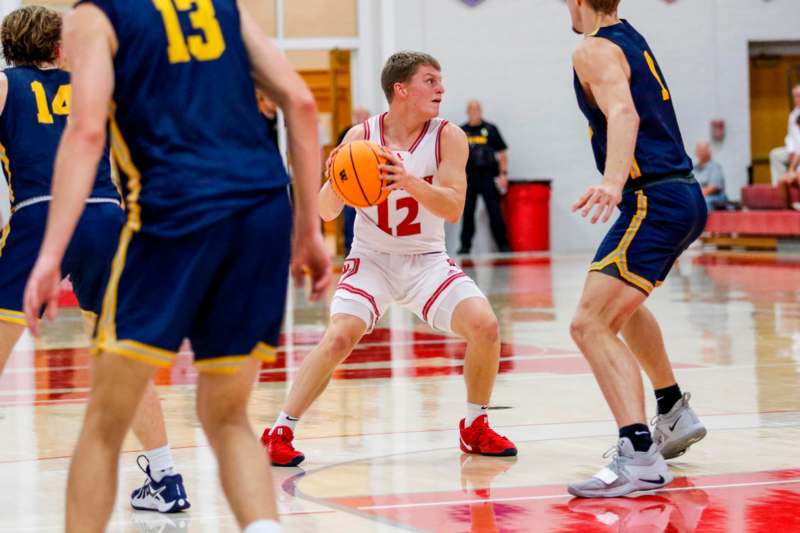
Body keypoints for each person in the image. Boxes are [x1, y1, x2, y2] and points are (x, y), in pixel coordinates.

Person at [22, 2, 331, 532]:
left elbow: (86, 133)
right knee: (228, 415)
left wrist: (49, 255)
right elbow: (301, 103)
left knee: (104, 422)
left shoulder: (96, 16)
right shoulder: (222, 7)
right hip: (260, 213)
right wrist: (309, 230)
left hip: (174, 211)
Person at [262, 51, 516, 467]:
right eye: (430, 81)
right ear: (402, 90)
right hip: (373, 258)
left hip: (427, 259)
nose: (441, 89)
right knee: (341, 335)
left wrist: (408, 180)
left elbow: (453, 208)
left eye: (440, 81)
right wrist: (337, 180)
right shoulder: (360, 137)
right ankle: (280, 430)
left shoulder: (448, 136)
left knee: (486, 326)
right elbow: (326, 211)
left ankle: (476, 426)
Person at [0, 6, 189, 515]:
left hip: (41, 215)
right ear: (58, 46)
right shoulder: (94, 87)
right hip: (106, 216)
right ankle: (167, 477)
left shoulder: (4, 85)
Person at [566, 0, 707, 498]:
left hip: (654, 199)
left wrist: (610, 180)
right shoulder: (630, 35)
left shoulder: (594, 47)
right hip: (676, 195)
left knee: (589, 324)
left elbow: (622, 110)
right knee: (614, 310)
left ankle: (640, 456)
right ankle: (671, 408)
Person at [458, 100, 511, 254]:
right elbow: (456, 157)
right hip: (470, 179)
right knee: (468, 212)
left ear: (481, 111)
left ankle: (503, 245)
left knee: (495, 212)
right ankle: (465, 246)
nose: (475, 112)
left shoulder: (491, 129)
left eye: (477, 109)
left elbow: (501, 153)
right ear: (467, 111)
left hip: (488, 177)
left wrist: (503, 174)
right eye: (472, 109)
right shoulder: (461, 131)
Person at [337, 107, 371, 254]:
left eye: (364, 115)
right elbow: (339, 156)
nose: (362, 118)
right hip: (350, 182)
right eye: (359, 115)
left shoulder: (374, 134)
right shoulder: (347, 133)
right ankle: (349, 249)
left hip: (369, 182)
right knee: (350, 216)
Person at [769, 84, 800, 185]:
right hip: (794, 151)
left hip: (798, 152)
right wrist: (790, 150)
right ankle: (778, 185)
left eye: (799, 95)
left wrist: (794, 159)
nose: (797, 98)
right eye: (795, 96)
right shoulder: (793, 115)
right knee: (775, 154)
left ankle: (791, 176)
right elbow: (790, 137)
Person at [694, 141, 727, 211]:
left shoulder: (715, 167)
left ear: (709, 152)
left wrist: (696, 195)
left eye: (703, 150)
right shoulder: (693, 169)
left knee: (705, 201)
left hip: (714, 197)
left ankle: (704, 221)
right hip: (697, 195)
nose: (700, 153)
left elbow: (714, 188)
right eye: (699, 150)